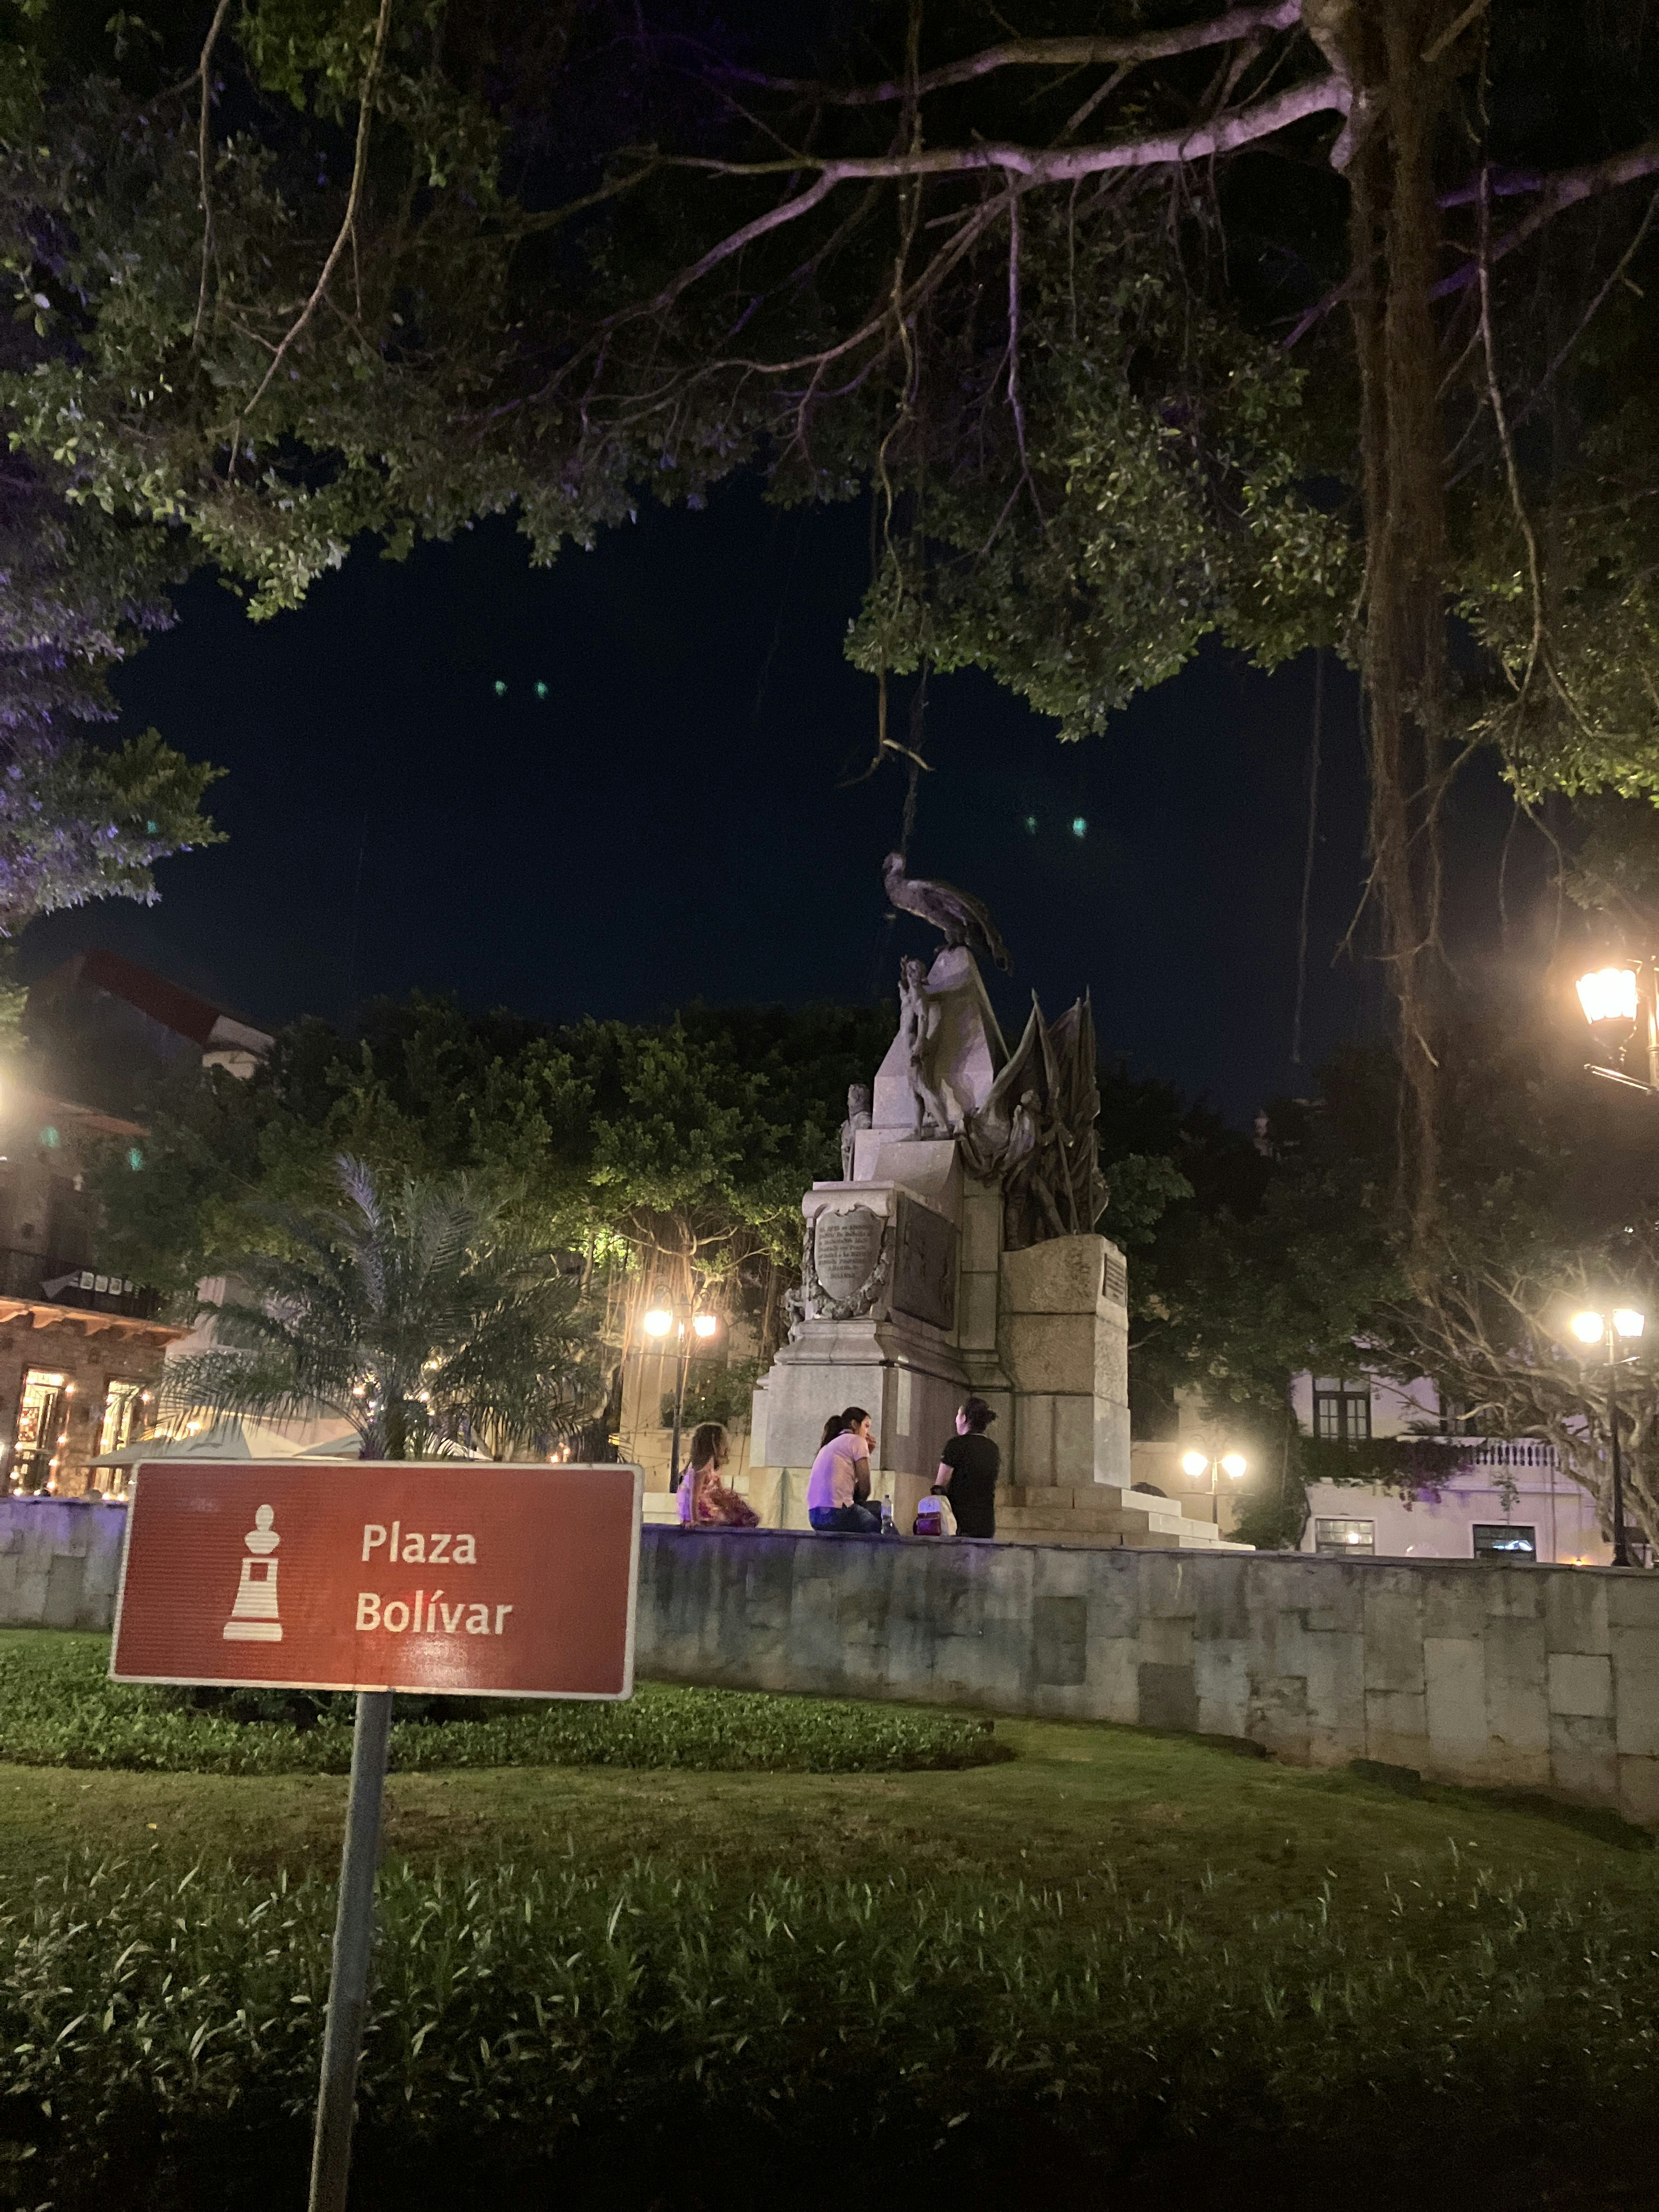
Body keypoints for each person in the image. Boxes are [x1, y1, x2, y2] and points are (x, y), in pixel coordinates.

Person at [806, 1407, 881, 1533]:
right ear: (854, 1424)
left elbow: (847, 1487)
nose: (868, 1433)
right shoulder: (858, 1441)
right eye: (866, 1426)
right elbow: (865, 1490)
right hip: (837, 1513)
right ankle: (901, 1547)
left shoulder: (829, 1445)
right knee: (880, 1524)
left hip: (815, 1516)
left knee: (878, 1508)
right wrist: (866, 1454)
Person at [933, 1397, 999, 1538]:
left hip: (959, 1522)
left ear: (964, 1418)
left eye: (958, 1415)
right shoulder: (993, 1448)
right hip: (986, 1523)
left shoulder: (955, 1445)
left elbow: (940, 1486)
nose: (956, 1420)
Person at [675, 1423, 759, 1528]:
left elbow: (720, 1490)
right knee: (736, 1520)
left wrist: (727, 1497)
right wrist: (695, 1520)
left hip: (704, 1507)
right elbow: (694, 1497)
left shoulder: (712, 1467)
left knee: (746, 1517)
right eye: (723, 1442)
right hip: (696, 1512)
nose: (727, 1446)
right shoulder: (701, 1470)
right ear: (714, 1444)